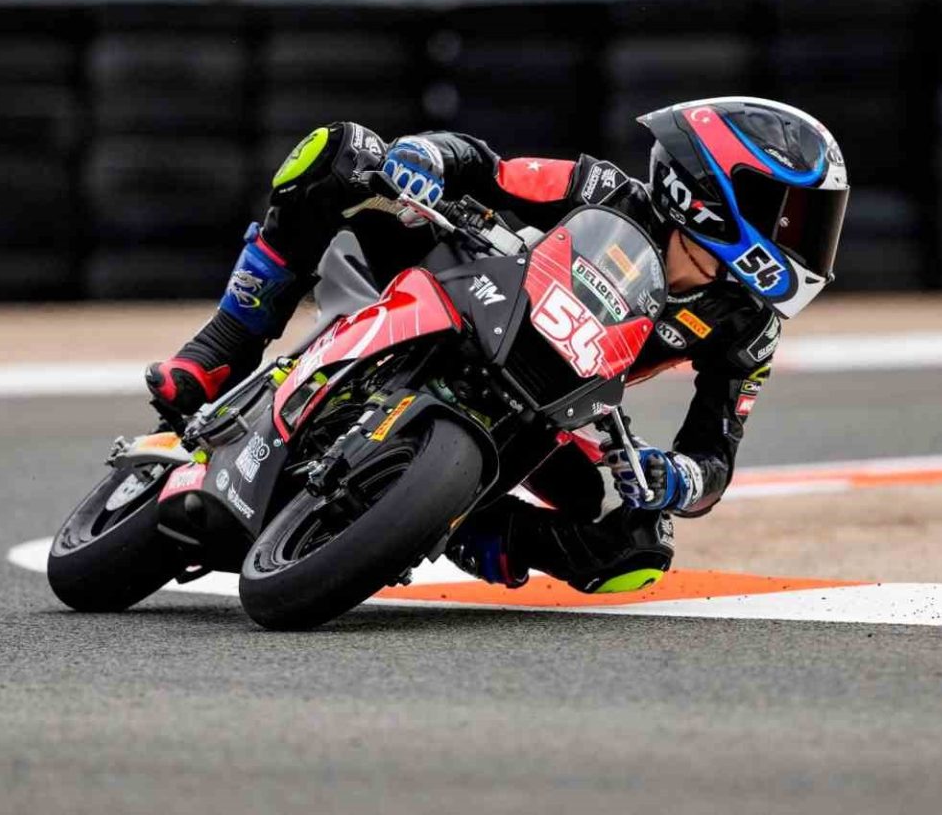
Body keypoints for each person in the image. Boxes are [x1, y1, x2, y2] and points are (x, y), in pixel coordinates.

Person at [146, 97, 849, 594]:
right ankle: (219, 350)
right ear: (713, 193)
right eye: (791, 216)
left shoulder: (748, 324)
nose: (806, 240)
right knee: (344, 152)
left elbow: (715, 453)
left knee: (638, 549)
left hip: (555, 403)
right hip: (468, 289)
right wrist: (426, 157)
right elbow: (489, 168)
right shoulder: (603, 188)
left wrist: (676, 479)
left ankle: (456, 523)